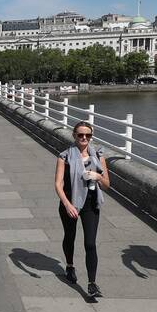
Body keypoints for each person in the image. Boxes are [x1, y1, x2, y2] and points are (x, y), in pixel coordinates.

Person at [54, 121, 110, 298]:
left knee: (90, 244)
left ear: (91, 136)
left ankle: (92, 284)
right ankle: (70, 266)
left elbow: (107, 185)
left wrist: (98, 176)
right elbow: (58, 184)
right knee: (70, 237)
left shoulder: (99, 156)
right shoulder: (64, 156)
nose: (84, 138)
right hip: (70, 203)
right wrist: (67, 204)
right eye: (80, 135)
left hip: (90, 204)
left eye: (88, 135)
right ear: (74, 136)